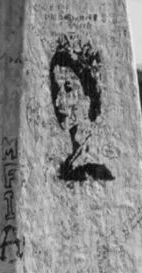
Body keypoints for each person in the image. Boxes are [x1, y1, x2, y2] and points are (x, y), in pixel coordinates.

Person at [49, 36, 114, 182]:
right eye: (55, 90)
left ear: (89, 95)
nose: (59, 101)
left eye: (68, 89)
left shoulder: (93, 168)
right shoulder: (69, 161)